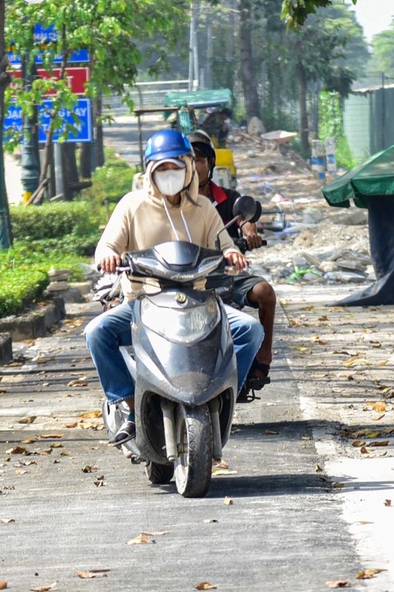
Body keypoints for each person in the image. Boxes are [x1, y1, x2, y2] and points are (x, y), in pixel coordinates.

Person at [86, 128, 262, 444]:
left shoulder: (204, 208)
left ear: (188, 168)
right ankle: (129, 406)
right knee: (97, 333)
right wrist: (110, 256)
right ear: (150, 170)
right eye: (162, 167)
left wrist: (232, 254)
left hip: (199, 302)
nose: (170, 174)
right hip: (144, 303)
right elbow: (106, 246)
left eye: (176, 166)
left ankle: (223, 396)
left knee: (250, 331)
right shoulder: (131, 205)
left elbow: (223, 245)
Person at [191, 133, 277, 398]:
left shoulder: (228, 198)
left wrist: (249, 228)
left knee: (265, 292)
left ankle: (263, 354)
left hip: (225, 273)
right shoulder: (177, 202)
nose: (194, 166)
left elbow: (243, 220)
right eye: (187, 160)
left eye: (199, 160)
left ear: (211, 163)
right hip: (186, 275)